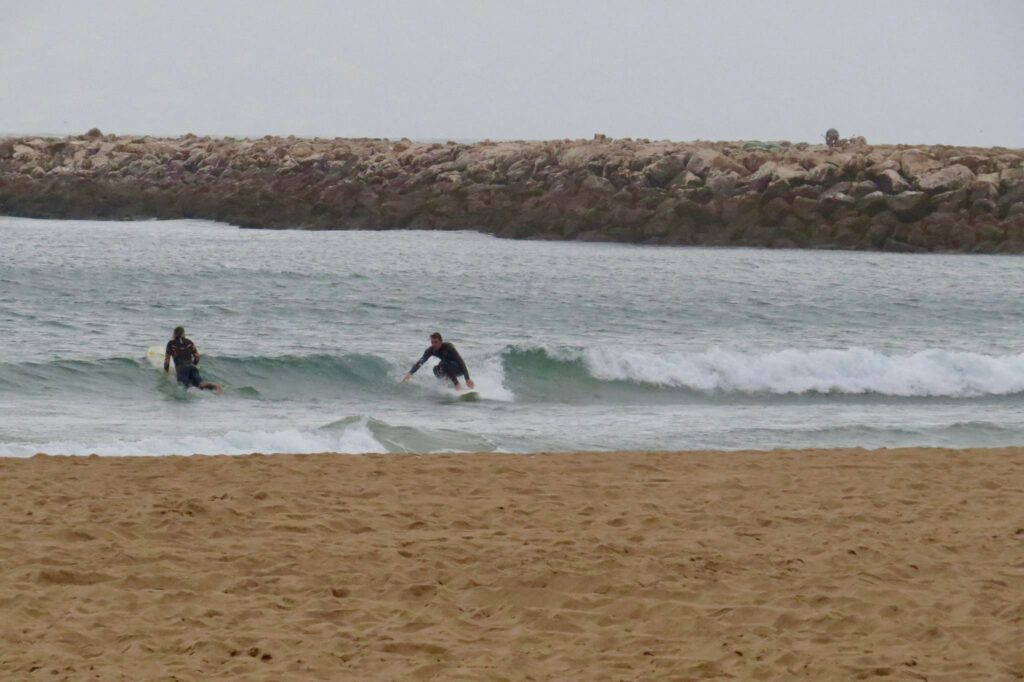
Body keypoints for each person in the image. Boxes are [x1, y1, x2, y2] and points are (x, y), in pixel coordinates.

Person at [402, 332, 475, 390]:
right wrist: (410, 373)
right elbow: (421, 361)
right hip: (447, 368)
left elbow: (460, 361)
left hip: (458, 369)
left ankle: (457, 385)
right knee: (436, 369)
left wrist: (467, 379)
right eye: (432, 342)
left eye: (436, 342)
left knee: (444, 364)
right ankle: (448, 385)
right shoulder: (430, 350)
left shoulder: (449, 347)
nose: (434, 344)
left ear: (441, 341)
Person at [164, 326, 222, 392]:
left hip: (181, 369)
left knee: (186, 387)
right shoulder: (189, 342)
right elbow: (197, 356)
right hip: (192, 367)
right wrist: (193, 364)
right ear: (183, 333)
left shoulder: (170, 344)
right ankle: (214, 386)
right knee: (201, 385)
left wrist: (165, 373)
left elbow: (167, 361)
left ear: (174, 334)